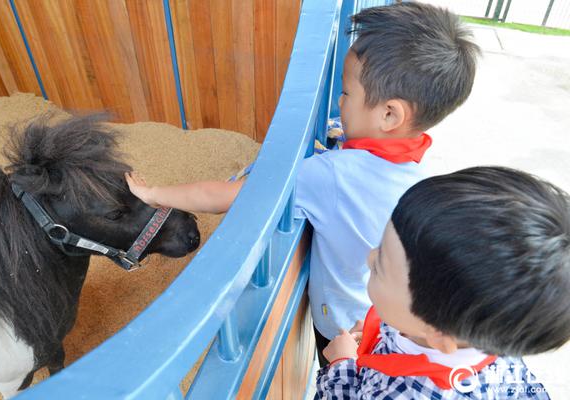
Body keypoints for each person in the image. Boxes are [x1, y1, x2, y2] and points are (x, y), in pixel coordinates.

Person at [126, 3, 479, 367]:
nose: (339, 103)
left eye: (345, 94)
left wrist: (153, 193)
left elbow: (222, 196)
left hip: (341, 324)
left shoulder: (329, 176)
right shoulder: (421, 168)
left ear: (389, 114)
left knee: (336, 371)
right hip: (387, 318)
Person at [317, 166, 570, 399]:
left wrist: (341, 366)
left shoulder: (404, 393)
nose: (370, 256)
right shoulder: (492, 334)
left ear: (438, 333)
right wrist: (381, 336)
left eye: (381, 267)